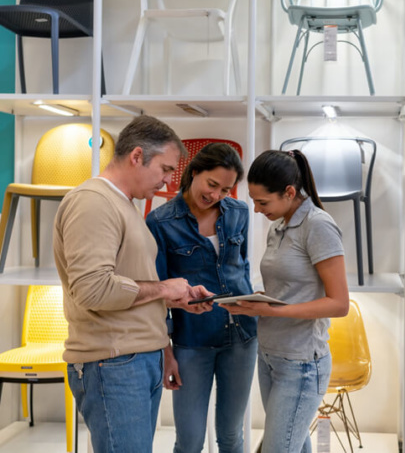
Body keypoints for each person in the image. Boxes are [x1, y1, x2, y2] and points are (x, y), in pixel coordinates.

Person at [53, 115, 214, 453]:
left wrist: (176, 298)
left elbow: (125, 282)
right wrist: (164, 289)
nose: (169, 180)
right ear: (137, 156)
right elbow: (93, 289)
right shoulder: (93, 202)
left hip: (133, 361)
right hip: (114, 364)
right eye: (165, 169)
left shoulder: (122, 204)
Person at [220, 149, 350, 453]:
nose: (255, 209)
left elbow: (339, 303)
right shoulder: (278, 225)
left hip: (301, 363)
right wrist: (254, 301)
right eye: (254, 201)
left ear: (289, 192)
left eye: (263, 202)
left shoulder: (318, 226)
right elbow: (286, 287)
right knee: (295, 444)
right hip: (269, 356)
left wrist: (272, 310)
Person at [146, 142, 257, 453]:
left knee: (232, 436)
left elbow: (242, 267)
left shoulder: (239, 213)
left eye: (225, 189)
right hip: (191, 342)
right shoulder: (160, 222)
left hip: (242, 337)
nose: (216, 195)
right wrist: (166, 352)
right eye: (212, 184)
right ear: (194, 172)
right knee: (190, 441)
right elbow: (158, 293)